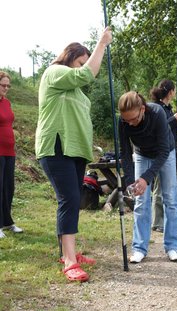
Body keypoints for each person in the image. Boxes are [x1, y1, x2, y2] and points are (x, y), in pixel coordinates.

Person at [35, 27, 112, 281]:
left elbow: (84, 78)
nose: (84, 66)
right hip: (57, 147)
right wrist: (102, 42)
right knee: (68, 199)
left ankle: (68, 252)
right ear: (71, 57)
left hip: (76, 151)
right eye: (81, 61)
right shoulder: (54, 72)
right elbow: (87, 73)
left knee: (72, 199)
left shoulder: (76, 91)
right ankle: (69, 261)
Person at [118, 91, 177, 263]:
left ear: (143, 109)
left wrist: (146, 178)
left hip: (166, 152)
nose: (130, 124)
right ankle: (139, 248)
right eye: (126, 120)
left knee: (170, 198)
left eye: (134, 119)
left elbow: (163, 152)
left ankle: (173, 246)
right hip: (141, 154)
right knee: (141, 201)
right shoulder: (123, 121)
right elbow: (124, 152)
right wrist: (131, 181)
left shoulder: (157, 113)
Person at [149, 79, 177, 233]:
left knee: (173, 187)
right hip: (161, 153)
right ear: (171, 91)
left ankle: (173, 220)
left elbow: (171, 130)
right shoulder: (157, 108)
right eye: (174, 90)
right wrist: (174, 118)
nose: (175, 93)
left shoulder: (167, 108)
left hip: (173, 151)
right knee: (160, 187)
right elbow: (158, 127)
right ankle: (157, 222)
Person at [0, 71, 23, 238]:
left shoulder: (6, 103)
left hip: (9, 151)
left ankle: (7, 222)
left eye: (8, 85)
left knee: (8, 187)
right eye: (3, 85)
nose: (6, 88)